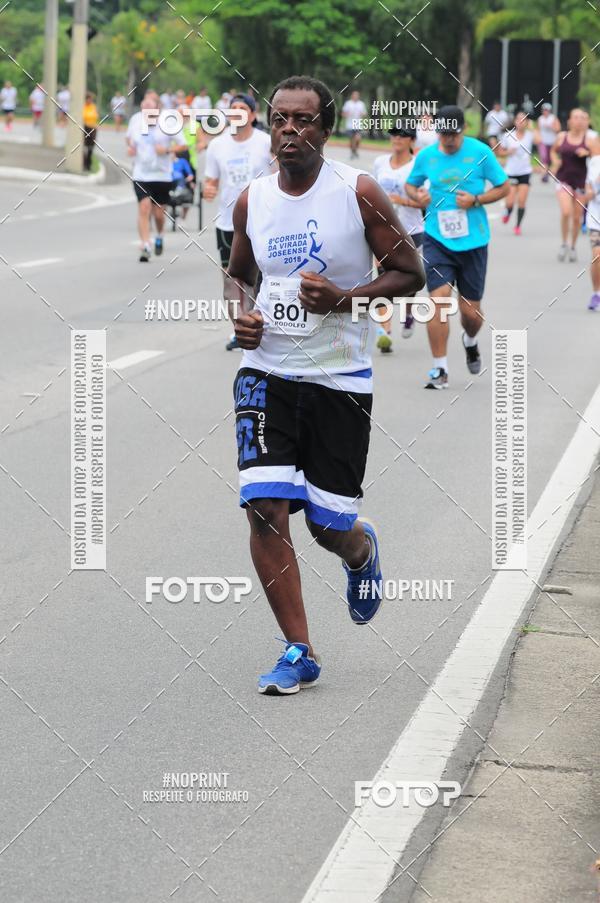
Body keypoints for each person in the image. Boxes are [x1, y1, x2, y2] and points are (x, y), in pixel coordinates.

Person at [228, 75, 424, 694]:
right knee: (264, 508)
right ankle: (299, 650)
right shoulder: (251, 199)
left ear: (326, 129)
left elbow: (410, 271)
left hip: (340, 376)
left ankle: (361, 550)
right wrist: (241, 314)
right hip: (266, 375)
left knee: (325, 524)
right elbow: (237, 276)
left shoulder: (356, 191)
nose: (290, 130)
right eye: (280, 119)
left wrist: (346, 298)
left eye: (304, 120)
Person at [406, 105, 509, 389]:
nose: (448, 139)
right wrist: (419, 196)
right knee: (438, 302)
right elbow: (410, 185)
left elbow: (503, 187)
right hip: (438, 239)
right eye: (443, 133)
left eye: (453, 133)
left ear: (463, 129)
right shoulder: (427, 156)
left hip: (474, 241)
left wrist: (476, 200)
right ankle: (439, 369)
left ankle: (471, 340)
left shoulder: (480, 152)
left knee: (470, 313)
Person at [203, 93, 273, 350]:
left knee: (260, 278)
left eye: (243, 109)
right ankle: (240, 329)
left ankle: (262, 324)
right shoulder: (217, 146)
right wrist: (208, 190)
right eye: (233, 109)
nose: (237, 113)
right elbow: (211, 182)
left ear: (253, 116)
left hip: (263, 222)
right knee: (231, 280)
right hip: (228, 223)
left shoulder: (265, 142)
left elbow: (281, 176)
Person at [372, 122, 426, 350]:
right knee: (383, 278)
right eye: (393, 134)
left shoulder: (417, 166)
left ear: (411, 141)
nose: (396, 138)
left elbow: (425, 201)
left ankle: (409, 313)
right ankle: (386, 332)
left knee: (410, 280)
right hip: (383, 230)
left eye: (402, 135)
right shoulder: (380, 163)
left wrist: (399, 200)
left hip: (412, 230)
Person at [126, 91, 186, 261]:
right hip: (141, 174)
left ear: (158, 109)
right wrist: (131, 148)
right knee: (144, 208)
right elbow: (128, 139)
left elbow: (183, 146)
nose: (146, 111)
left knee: (159, 214)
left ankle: (159, 234)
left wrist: (167, 150)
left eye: (150, 107)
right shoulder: (136, 120)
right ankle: (145, 245)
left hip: (162, 175)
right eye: (144, 107)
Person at [551, 108, 597, 262]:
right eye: (575, 117)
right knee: (566, 212)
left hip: (581, 182)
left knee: (577, 218)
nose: (578, 121)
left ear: (586, 121)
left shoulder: (590, 140)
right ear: (569, 121)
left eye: (581, 118)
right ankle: (564, 242)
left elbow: (597, 160)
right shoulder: (561, 137)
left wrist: (588, 153)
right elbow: (553, 151)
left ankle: (572, 246)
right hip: (563, 179)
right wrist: (555, 160)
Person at [499, 110, 533, 235]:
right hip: (511, 172)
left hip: (525, 171)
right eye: (519, 119)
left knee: (522, 201)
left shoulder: (530, 135)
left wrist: (533, 128)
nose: (521, 122)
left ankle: (518, 226)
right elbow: (500, 152)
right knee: (510, 201)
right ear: (515, 122)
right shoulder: (508, 136)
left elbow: (543, 142)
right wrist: (508, 152)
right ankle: (508, 211)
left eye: (524, 120)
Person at [584, 147, 600, 310]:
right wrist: (591, 190)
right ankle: (597, 293)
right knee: (597, 255)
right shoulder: (595, 162)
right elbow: (589, 188)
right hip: (596, 219)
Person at [535, 103, 559, 182]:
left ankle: (548, 172)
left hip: (552, 141)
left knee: (550, 159)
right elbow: (537, 130)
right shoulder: (540, 119)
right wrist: (538, 139)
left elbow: (558, 129)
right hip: (543, 142)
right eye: (544, 110)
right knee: (544, 158)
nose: (545, 112)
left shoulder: (553, 118)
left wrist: (552, 127)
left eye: (547, 110)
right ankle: (544, 175)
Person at [170, 148, 195, 220]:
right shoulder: (166, 162)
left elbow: (190, 175)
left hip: (181, 182)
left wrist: (186, 181)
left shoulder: (182, 161)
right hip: (169, 182)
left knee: (179, 178)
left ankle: (178, 191)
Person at [342, 90, 367, 158]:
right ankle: (353, 152)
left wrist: (362, 114)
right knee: (351, 140)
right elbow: (343, 113)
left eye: (357, 95)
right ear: (352, 96)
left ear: (358, 96)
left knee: (358, 138)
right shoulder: (348, 103)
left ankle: (355, 150)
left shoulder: (361, 104)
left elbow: (365, 113)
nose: (355, 96)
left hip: (358, 124)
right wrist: (347, 114)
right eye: (354, 95)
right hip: (349, 125)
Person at [82, 92, 99, 172]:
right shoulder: (83, 107)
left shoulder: (93, 107)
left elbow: (96, 117)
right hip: (85, 128)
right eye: (88, 99)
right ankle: (85, 164)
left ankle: (89, 164)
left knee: (91, 148)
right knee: (84, 147)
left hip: (93, 129)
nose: (90, 101)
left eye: (91, 99)